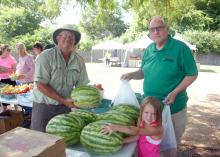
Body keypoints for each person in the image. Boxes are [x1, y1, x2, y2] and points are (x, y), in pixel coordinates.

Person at [121, 16, 198, 156]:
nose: (156, 32)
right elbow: (143, 72)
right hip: (149, 112)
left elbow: (192, 74)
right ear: (149, 33)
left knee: (168, 148)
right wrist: (131, 75)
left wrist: (174, 92)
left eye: (159, 28)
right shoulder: (149, 49)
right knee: (149, 145)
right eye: (152, 29)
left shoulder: (180, 48)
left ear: (166, 29)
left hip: (172, 110)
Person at [31, 25, 90, 132]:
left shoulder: (79, 60)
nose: (68, 39)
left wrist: (88, 98)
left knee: (61, 141)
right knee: (39, 140)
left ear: (75, 41)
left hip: (64, 108)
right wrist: (63, 100)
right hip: (44, 107)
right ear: (58, 38)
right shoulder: (45, 56)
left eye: (72, 37)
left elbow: (82, 86)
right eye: (65, 36)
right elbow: (40, 84)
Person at [0, 44, 17, 111]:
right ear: (3, 50)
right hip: (2, 80)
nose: (9, 51)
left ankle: (16, 110)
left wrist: (5, 69)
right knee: (4, 98)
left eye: (10, 50)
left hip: (11, 79)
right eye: (8, 50)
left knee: (14, 97)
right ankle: (4, 111)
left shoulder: (11, 58)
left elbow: (14, 70)